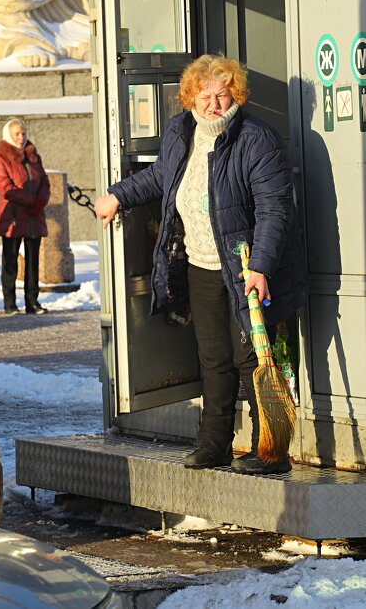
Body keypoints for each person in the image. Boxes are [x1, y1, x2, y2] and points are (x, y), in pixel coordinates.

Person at [94, 54, 307, 476]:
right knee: (212, 358)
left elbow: (274, 208)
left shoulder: (255, 139)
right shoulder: (180, 131)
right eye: (204, 94)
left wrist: (261, 267)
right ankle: (214, 444)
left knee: (250, 355)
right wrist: (117, 195)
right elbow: (161, 177)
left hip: (246, 267)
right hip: (202, 264)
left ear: (236, 96)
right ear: (190, 96)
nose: (213, 103)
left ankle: (271, 449)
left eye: (222, 94)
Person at [0, 118, 50, 315]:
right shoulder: (1, 159)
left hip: (34, 217)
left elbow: (44, 181)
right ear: (9, 135)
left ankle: (32, 302)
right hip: (13, 217)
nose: (21, 137)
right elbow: (6, 188)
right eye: (17, 134)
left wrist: (39, 203)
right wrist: (32, 202)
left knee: (33, 262)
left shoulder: (34, 156)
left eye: (23, 133)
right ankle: (10, 303)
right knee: (10, 261)